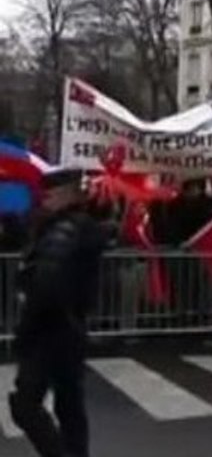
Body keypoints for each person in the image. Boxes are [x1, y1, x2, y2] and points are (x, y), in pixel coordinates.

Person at [9, 168, 109, 457]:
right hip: (67, 327)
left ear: (67, 194)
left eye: (50, 194)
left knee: (27, 404)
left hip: (50, 328)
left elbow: (47, 283)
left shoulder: (66, 229)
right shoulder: (65, 226)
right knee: (69, 407)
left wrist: (26, 329)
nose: (45, 199)